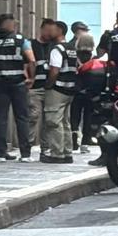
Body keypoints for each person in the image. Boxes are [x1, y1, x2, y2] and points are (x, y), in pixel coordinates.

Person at [0, 13, 36, 162]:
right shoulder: (21, 40)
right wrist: (31, 78)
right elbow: (32, 60)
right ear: (10, 24)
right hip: (18, 83)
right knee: (22, 118)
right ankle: (25, 154)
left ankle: (0, 153)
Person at [42, 21, 79, 164]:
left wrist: (48, 85)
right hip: (69, 90)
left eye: (52, 30)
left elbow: (54, 70)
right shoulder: (71, 48)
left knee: (53, 122)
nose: (49, 32)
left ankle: (57, 153)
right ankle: (67, 152)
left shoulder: (57, 49)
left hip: (57, 90)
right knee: (65, 122)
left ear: (59, 31)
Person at [69, 21, 97, 154]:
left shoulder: (70, 49)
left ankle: (74, 139)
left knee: (74, 114)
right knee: (88, 115)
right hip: (90, 90)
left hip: (75, 88)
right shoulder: (92, 59)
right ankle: (85, 142)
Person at [28, 18, 55, 151]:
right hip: (35, 87)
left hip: (50, 88)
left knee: (48, 119)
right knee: (33, 115)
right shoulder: (31, 44)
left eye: (52, 31)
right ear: (41, 29)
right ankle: (27, 145)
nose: (49, 34)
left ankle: (46, 147)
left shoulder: (55, 46)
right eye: (47, 30)